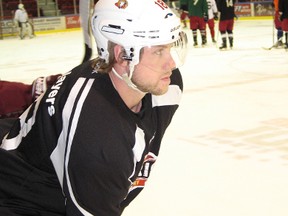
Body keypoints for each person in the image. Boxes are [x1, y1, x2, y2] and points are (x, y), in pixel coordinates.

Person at [0, 0, 187, 216]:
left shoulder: (167, 86)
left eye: (171, 47)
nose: (171, 64)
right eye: (159, 51)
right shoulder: (97, 137)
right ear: (122, 55)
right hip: (19, 200)